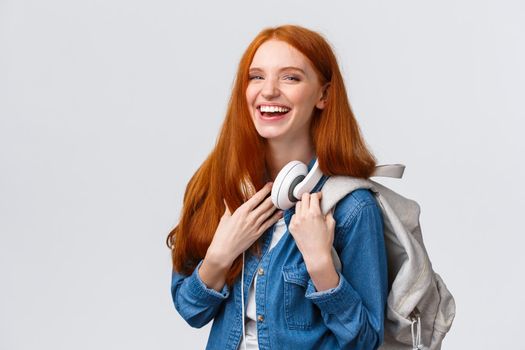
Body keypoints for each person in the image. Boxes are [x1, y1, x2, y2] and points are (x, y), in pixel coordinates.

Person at [166, 24, 388, 350]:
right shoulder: (216, 186)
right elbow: (191, 310)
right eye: (256, 77)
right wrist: (220, 254)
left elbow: (365, 341)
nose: (268, 91)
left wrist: (321, 265)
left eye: (290, 77)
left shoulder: (351, 207)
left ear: (323, 95)